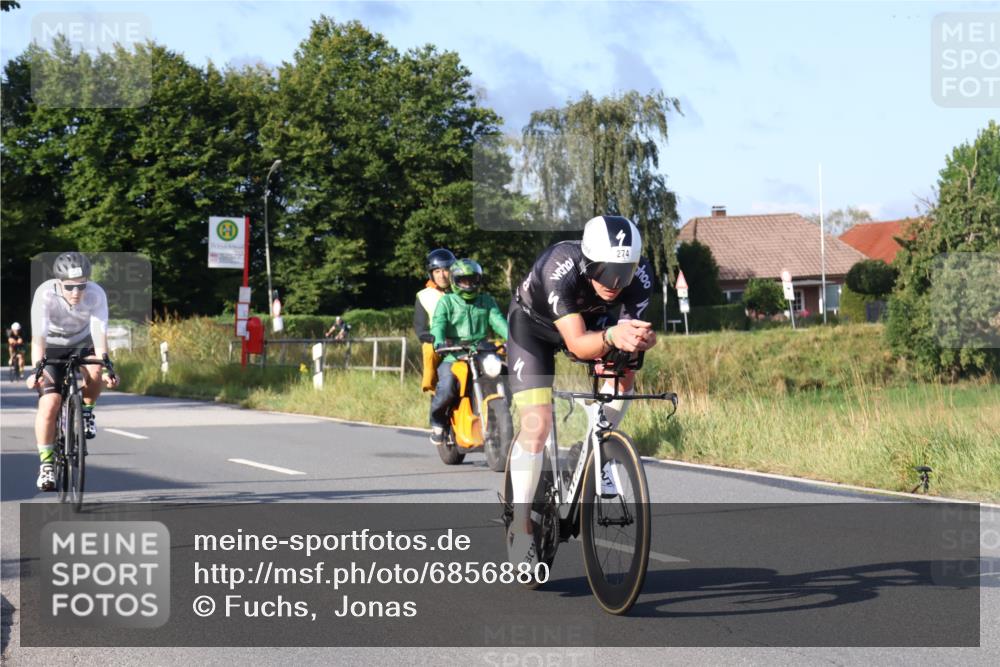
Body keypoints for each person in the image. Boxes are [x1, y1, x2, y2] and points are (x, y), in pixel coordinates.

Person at [505, 215, 657, 566]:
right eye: (605, 272)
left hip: (592, 323)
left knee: (625, 370)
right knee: (537, 425)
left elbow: (627, 336)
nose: (615, 283)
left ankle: (596, 443)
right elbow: (576, 343)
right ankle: (521, 524)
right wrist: (609, 338)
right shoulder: (559, 266)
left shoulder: (641, 275)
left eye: (625, 273)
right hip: (534, 327)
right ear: (588, 262)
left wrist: (641, 341)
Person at [25, 252, 120, 491]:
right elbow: (39, 338)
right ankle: (46, 465)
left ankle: (86, 412)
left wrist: (107, 365)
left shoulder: (97, 294)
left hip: (83, 342)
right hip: (52, 346)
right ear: (58, 283)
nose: (76, 293)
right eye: (69, 287)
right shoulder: (45, 294)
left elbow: (99, 333)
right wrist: (37, 370)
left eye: (81, 286)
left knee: (96, 372)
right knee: (50, 403)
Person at [428, 258, 508, 445]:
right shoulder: (447, 302)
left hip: (481, 352)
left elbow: (499, 322)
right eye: (463, 280)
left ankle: (500, 419)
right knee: (447, 387)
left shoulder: (486, 301)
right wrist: (439, 342)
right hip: (453, 354)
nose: (468, 284)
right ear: (455, 281)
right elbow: (438, 325)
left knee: (505, 374)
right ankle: (438, 422)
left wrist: (513, 339)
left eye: (472, 280)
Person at [414, 248, 456, 393]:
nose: (442, 275)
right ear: (431, 274)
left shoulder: (465, 291)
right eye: (437, 271)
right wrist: (433, 338)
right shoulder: (424, 296)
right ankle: (430, 384)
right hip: (440, 346)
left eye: (445, 270)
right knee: (428, 349)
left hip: (466, 342)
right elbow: (420, 329)